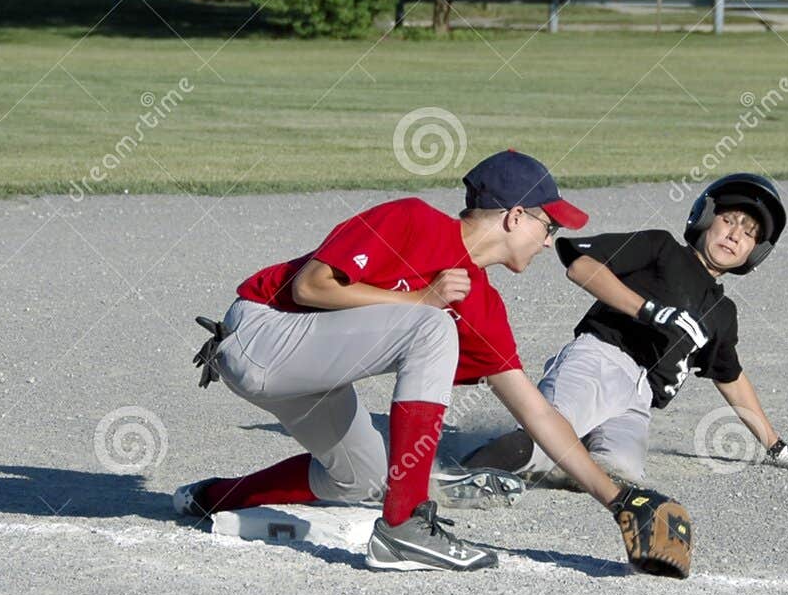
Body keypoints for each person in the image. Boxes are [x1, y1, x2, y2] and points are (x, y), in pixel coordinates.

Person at [174, 150, 689, 573]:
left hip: (308, 376)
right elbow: (311, 286)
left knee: (361, 478)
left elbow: (537, 413)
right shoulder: (413, 220)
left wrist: (615, 497)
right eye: (548, 225)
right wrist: (423, 300)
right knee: (433, 324)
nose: (550, 239)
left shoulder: (483, 304)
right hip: (261, 334)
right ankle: (404, 528)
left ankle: (211, 497)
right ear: (515, 216)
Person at [462, 173, 788, 487]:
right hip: (600, 361)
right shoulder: (662, 248)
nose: (736, 235)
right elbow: (580, 264)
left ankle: (553, 456)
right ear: (705, 217)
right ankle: (455, 476)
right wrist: (647, 309)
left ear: (755, 252)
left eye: (750, 232)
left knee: (620, 473)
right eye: (729, 219)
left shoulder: (723, 313)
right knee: (543, 440)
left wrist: (775, 446)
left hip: (639, 400)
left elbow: (731, 377)